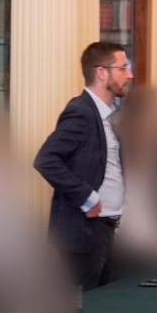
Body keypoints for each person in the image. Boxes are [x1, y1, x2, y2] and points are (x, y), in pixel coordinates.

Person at [34, 40, 132, 290]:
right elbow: (46, 159)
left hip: (107, 230)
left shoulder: (109, 114)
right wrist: (87, 196)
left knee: (105, 305)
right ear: (102, 73)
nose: (129, 75)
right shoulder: (81, 111)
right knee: (83, 307)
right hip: (84, 233)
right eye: (123, 68)